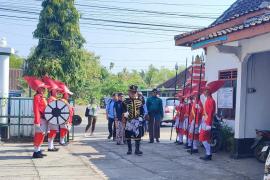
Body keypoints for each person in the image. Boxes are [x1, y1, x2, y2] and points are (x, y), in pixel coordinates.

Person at [24, 76, 48, 158]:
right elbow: (36, 110)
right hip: (40, 119)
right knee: (38, 135)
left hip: (44, 118)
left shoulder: (42, 97)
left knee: (42, 135)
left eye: (43, 88)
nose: (43, 90)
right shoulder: (37, 97)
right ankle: (35, 152)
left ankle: (38, 150)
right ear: (37, 89)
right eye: (41, 88)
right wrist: (37, 121)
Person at [123, 85, 144, 155]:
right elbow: (123, 110)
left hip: (137, 120)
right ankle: (129, 150)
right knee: (128, 135)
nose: (133, 94)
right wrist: (124, 113)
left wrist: (141, 116)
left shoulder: (140, 101)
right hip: (129, 120)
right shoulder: (125, 102)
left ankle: (137, 150)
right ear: (129, 93)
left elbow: (142, 110)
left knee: (138, 136)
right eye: (132, 92)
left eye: (134, 92)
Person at [42, 76, 60, 152]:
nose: (57, 92)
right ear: (52, 91)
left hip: (55, 118)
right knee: (52, 131)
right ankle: (50, 146)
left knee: (54, 132)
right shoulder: (51, 99)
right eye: (56, 91)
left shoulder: (54, 99)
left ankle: (51, 146)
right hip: (53, 118)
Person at [55, 80, 74, 146]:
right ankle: (61, 141)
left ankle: (62, 140)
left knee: (65, 129)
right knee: (64, 129)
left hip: (67, 118)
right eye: (67, 94)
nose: (68, 96)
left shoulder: (66, 101)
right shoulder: (62, 100)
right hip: (64, 118)